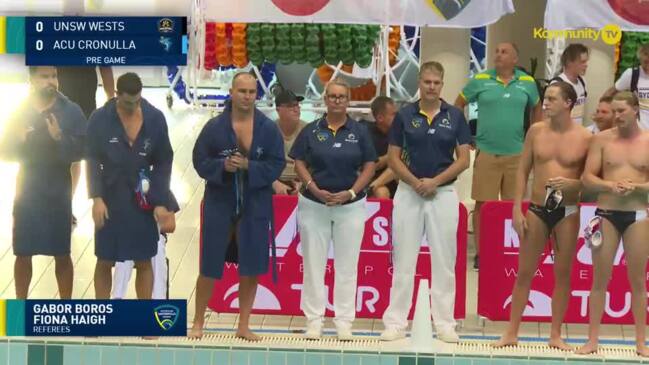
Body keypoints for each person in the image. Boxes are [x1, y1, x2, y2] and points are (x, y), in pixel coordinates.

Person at [493, 82, 592, 350]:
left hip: (567, 211)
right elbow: (522, 170)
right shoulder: (536, 131)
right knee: (524, 272)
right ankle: (512, 331)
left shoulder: (585, 137)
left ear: (568, 103)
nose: (545, 103)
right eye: (546, 98)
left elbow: (592, 178)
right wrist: (516, 207)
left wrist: (576, 185)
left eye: (551, 99)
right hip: (537, 208)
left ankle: (555, 335)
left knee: (563, 275)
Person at [190, 72, 285, 340]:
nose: (246, 96)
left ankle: (243, 324)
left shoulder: (267, 128)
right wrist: (222, 166)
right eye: (241, 91)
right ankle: (198, 321)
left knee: (252, 264)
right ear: (231, 92)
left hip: (254, 202)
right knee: (209, 263)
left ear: (257, 94)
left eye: (251, 92)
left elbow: (277, 163)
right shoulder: (215, 128)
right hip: (220, 201)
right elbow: (198, 160)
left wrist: (249, 166)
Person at [380, 61, 470, 342]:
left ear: (442, 85)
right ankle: (395, 322)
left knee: (445, 261)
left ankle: (445, 323)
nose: (431, 87)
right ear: (419, 82)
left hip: (442, 194)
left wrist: (435, 182)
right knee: (404, 259)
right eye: (427, 82)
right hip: (409, 193)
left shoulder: (455, 116)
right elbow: (393, 158)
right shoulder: (405, 115)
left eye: (436, 83)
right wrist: (415, 182)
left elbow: (464, 159)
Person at [290, 78, 376, 340]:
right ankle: (314, 320)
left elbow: (370, 165)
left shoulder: (360, 132)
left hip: (351, 206)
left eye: (342, 97)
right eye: (333, 96)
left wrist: (350, 192)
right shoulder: (311, 130)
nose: (337, 101)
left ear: (348, 101)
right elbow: (299, 163)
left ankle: (344, 322)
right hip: (314, 205)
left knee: (347, 266)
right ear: (325, 99)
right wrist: (313, 187)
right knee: (314, 265)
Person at [86, 72, 174, 302]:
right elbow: (92, 159)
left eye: (136, 101)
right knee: (105, 259)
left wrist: (160, 201)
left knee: (144, 260)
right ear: (116, 96)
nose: (132, 106)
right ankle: (102, 315)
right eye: (127, 102)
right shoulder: (100, 118)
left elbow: (164, 161)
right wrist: (96, 198)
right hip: (111, 195)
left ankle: (144, 319)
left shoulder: (154, 118)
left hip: (142, 197)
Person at [0, 66, 85, 299]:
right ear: (32, 79)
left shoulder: (70, 111)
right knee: (23, 252)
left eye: (54, 76)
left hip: (58, 189)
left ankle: (66, 307)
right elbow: (4, 153)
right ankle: (21, 305)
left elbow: (82, 150)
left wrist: (59, 137)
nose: (51, 81)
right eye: (44, 76)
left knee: (62, 252)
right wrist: (18, 139)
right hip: (28, 189)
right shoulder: (20, 111)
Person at [455, 42, 542, 270]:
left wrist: (534, 138)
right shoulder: (481, 80)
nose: (498, 55)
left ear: (515, 58)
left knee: (515, 205)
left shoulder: (527, 82)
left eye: (504, 52)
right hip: (487, 153)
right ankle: (482, 254)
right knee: (483, 205)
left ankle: (513, 249)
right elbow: (458, 105)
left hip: (517, 155)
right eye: (497, 51)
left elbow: (537, 108)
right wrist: (465, 135)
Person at [578, 91, 649, 357]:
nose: (616, 116)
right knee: (599, 279)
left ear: (635, 110)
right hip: (606, 213)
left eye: (621, 111)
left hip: (637, 215)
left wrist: (637, 187)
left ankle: (641, 342)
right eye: (614, 111)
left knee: (638, 281)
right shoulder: (601, 140)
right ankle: (592, 340)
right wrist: (610, 185)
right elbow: (587, 177)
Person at [57, 66, 115, 226]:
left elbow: (105, 63)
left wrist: (111, 99)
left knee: (76, 157)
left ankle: (65, 205)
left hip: (85, 100)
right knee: (60, 157)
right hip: (57, 97)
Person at [112, 191, 179, 299]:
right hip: (129, 234)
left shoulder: (161, 189)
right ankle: (117, 298)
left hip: (154, 234)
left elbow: (170, 225)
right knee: (124, 251)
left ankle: (158, 299)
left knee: (156, 250)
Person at [604, 43, 649, 129]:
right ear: (640, 57)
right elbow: (609, 94)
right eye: (646, 55)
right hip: (638, 132)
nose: (648, 63)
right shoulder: (632, 74)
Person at [362, 96, 398, 199]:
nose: (398, 118)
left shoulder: (401, 133)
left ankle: (372, 187)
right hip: (370, 179)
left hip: (394, 178)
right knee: (382, 192)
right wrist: (391, 156)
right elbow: (372, 166)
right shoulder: (366, 133)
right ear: (380, 118)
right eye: (394, 114)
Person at [273, 89, 307, 195]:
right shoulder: (268, 130)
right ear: (278, 109)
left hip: (301, 180)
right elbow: (260, 163)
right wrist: (274, 184)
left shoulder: (308, 130)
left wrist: (304, 182)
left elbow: (315, 163)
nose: (296, 109)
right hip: (275, 180)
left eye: (297, 105)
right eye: (290, 106)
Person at [549, 43, 589, 125]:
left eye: (586, 61)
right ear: (570, 62)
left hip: (577, 132)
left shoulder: (582, 81)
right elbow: (549, 113)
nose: (586, 65)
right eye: (582, 62)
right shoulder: (557, 84)